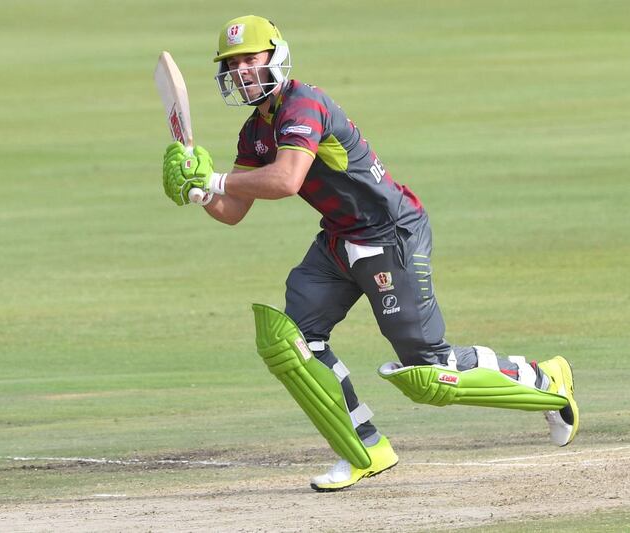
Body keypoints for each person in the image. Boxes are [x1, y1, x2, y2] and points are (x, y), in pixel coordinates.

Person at [162, 15, 579, 492]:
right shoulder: (254, 131)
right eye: (232, 65)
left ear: (276, 57)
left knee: (426, 371)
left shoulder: (305, 105)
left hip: (390, 234)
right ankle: (364, 450)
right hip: (340, 239)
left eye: (249, 60)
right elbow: (234, 209)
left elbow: (286, 180)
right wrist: (198, 193)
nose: (241, 73)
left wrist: (213, 178)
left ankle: (547, 383)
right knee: (292, 340)